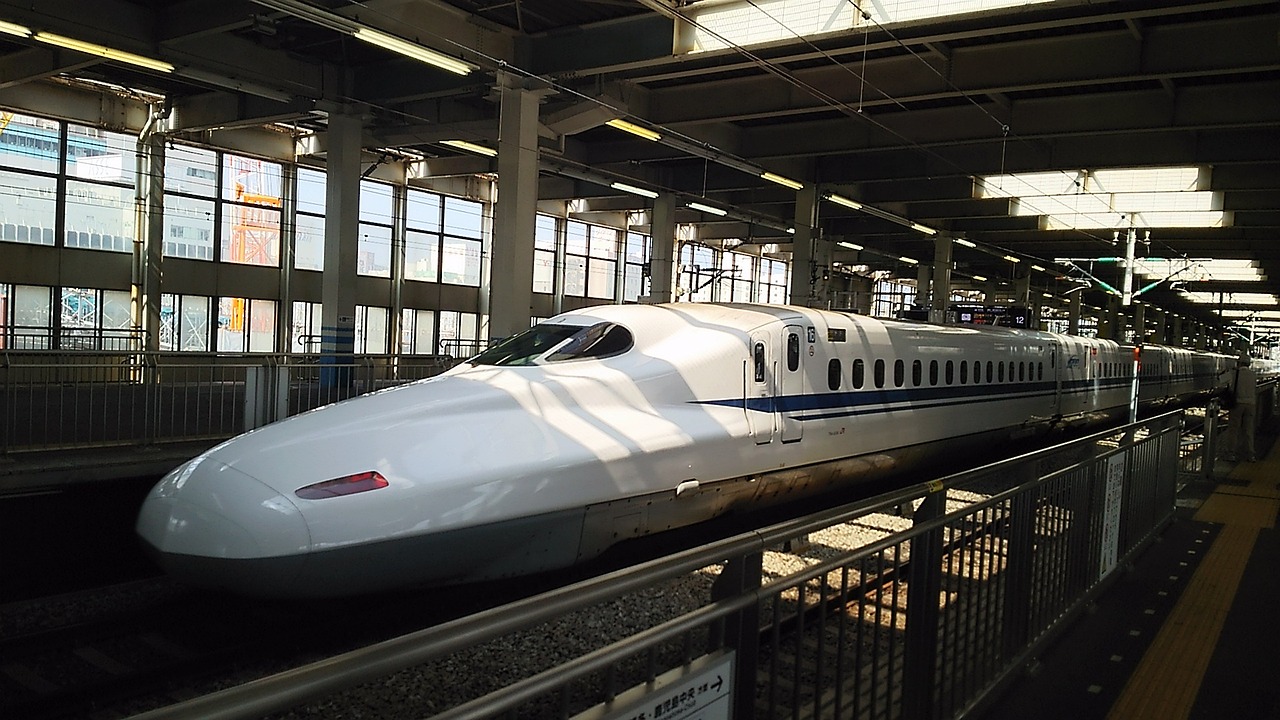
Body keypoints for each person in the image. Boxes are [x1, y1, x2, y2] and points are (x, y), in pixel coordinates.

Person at [1230, 353, 1259, 462]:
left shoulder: (1235, 373)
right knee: (1248, 430)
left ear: (1239, 363)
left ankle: (1231, 453)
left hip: (1238, 403)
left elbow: (1225, 383)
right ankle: (1250, 454)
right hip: (1251, 404)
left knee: (1234, 429)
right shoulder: (1253, 374)